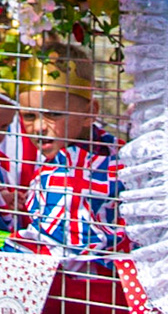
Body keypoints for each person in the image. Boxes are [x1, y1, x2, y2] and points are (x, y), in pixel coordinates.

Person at [8, 46, 126, 256]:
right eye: (29, 116)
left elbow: (53, 252)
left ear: (90, 113)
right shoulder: (113, 149)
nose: (39, 127)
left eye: (53, 114)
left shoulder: (68, 175)